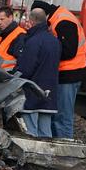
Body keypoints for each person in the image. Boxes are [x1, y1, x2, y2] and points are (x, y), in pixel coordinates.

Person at [31, 0, 86, 139]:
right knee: (58, 115)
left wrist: (47, 54)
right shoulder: (58, 18)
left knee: (63, 117)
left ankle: (66, 149)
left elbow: (69, 51)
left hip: (69, 74)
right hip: (65, 73)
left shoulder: (63, 22)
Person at [14, 8, 60, 138]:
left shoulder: (33, 41)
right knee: (46, 133)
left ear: (32, 21)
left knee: (31, 132)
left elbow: (26, 69)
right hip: (49, 92)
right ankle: (48, 157)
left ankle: (32, 157)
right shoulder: (55, 41)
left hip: (32, 92)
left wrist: (15, 79)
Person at [0, 6, 26, 71]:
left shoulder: (20, 35)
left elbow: (21, 62)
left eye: (2, 19)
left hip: (8, 76)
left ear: (10, 17)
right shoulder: (2, 34)